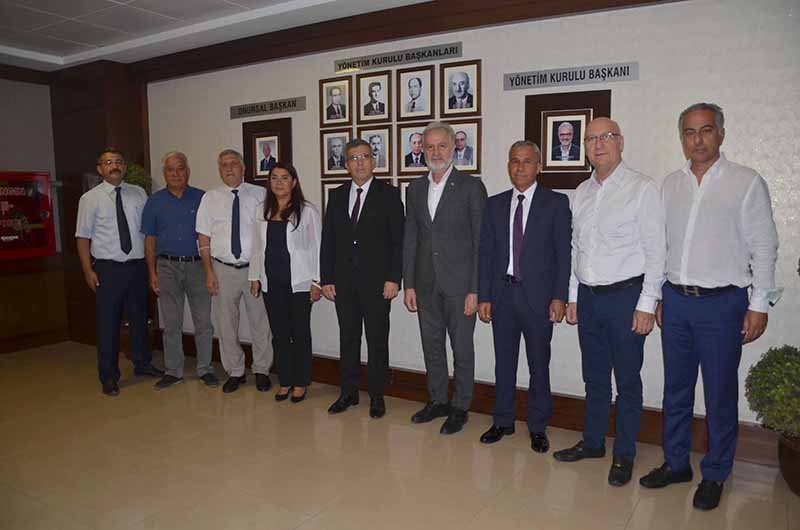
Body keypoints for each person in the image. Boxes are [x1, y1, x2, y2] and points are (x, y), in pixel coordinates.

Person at [639, 103, 780, 510]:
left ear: (720, 133)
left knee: (719, 393)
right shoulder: (670, 185)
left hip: (723, 304)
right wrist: (659, 296)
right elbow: (662, 247)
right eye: (689, 132)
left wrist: (759, 304)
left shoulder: (746, 182)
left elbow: (765, 246)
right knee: (676, 389)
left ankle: (716, 472)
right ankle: (676, 463)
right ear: (681, 138)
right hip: (676, 302)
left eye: (705, 130)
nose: (697, 139)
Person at [553, 117, 665, 488]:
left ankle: (625, 453)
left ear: (620, 142)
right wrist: (573, 296)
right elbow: (577, 248)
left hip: (626, 298)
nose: (598, 144)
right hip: (588, 297)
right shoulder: (582, 191)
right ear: (584, 147)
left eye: (606, 137)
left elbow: (657, 251)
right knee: (595, 377)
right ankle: (593, 442)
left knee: (628, 380)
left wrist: (647, 303)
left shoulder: (642, 188)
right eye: (591, 139)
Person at [477, 141, 571, 452]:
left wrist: (559, 296)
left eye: (527, 161)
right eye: (514, 161)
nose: (520, 167)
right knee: (503, 363)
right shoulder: (494, 204)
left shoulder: (555, 203)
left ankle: (538, 426)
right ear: (508, 166)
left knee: (538, 365)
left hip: (538, 299)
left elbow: (563, 254)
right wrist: (484, 296)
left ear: (539, 166)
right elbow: (486, 254)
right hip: (502, 295)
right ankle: (503, 420)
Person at [403, 121, 487, 434]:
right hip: (425, 283)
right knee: (432, 346)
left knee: (462, 349)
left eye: (441, 145)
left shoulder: (470, 187)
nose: (435, 152)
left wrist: (475, 289)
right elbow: (411, 238)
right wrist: (409, 284)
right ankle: (438, 400)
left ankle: (460, 406)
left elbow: (480, 242)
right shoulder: (414, 189)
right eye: (430, 146)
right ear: (422, 150)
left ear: (453, 148)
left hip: (461, 285)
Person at [320, 138, 404, 419]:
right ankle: (348, 392)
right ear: (346, 164)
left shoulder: (389, 195)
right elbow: (329, 240)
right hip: (343, 283)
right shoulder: (336, 195)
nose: (359, 163)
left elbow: (398, 241)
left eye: (365, 157)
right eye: (354, 158)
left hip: (378, 284)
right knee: (348, 338)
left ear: (373, 161)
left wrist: (394, 278)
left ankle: (377, 396)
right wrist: (326, 278)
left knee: (377, 340)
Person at [75, 147, 164, 396]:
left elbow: (148, 232)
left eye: (118, 162)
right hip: (108, 269)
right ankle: (108, 375)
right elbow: (82, 238)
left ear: (124, 167)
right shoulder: (89, 199)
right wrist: (87, 270)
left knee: (139, 319)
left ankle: (142, 364)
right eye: (108, 162)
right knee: (108, 323)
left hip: (137, 267)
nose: (114, 166)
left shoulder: (139, 193)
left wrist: (151, 266)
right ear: (100, 168)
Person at [196, 149, 273, 394]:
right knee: (226, 323)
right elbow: (203, 238)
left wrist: (263, 269)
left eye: (233, 164)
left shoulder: (261, 194)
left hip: (254, 269)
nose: (228, 169)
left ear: (243, 168)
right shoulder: (210, 198)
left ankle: (261, 370)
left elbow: (268, 233)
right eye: (223, 165)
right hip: (222, 269)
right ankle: (235, 371)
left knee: (260, 321)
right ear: (219, 170)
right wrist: (208, 272)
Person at [141, 151, 217, 390]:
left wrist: (210, 270)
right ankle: (173, 371)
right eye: (170, 169)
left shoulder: (202, 198)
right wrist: (152, 272)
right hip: (167, 267)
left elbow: (210, 235)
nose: (176, 174)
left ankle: (205, 369)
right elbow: (149, 240)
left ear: (188, 171)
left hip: (197, 266)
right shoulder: (154, 202)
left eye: (180, 168)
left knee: (203, 322)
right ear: (164, 173)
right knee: (171, 323)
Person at [249, 163, 322, 403]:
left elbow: (318, 247)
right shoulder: (261, 210)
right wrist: (254, 277)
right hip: (271, 281)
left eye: (284, 178)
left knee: (300, 333)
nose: (279, 182)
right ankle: (285, 380)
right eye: (274, 178)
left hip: (299, 281)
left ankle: (301, 382)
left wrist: (317, 282)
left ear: (294, 182)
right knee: (279, 334)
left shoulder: (307, 211)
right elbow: (256, 247)